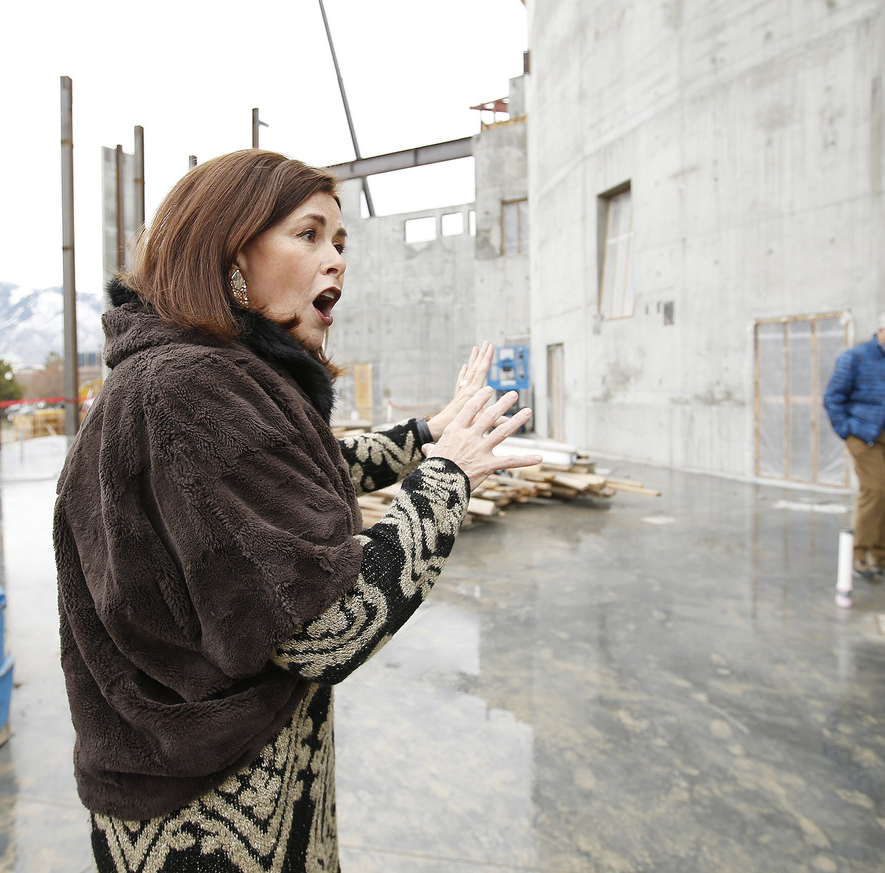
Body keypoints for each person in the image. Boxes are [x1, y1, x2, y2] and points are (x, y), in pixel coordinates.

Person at [53, 149, 542, 872]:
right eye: (308, 235)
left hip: (230, 771)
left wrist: (425, 435)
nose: (336, 259)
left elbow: (287, 478)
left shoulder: (204, 376)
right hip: (205, 810)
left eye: (340, 241)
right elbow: (326, 630)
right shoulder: (187, 388)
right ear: (228, 252)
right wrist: (448, 477)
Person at [823, 313, 885, 582]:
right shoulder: (856, 357)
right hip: (866, 436)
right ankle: (858, 554)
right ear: (881, 331)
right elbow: (833, 396)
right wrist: (846, 430)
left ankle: (883, 556)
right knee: (876, 491)